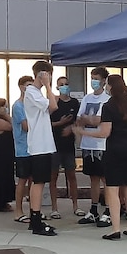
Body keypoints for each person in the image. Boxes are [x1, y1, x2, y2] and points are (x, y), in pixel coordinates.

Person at [75, 74, 127, 240]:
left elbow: (105, 132)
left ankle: (115, 228)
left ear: (110, 86)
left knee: (112, 189)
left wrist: (82, 131)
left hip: (114, 149)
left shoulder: (109, 105)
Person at [23, 61, 58, 236]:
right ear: (42, 74)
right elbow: (53, 106)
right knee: (38, 182)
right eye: (48, 75)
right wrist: (48, 87)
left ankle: (35, 217)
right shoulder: (31, 92)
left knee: (42, 181)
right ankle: (35, 219)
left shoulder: (36, 93)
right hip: (38, 144)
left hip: (44, 143)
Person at [77, 67, 112, 228]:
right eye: (92, 78)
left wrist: (87, 119)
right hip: (87, 143)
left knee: (106, 178)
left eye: (96, 78)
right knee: (93, 178)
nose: (93, 81)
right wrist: (88, 119)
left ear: (104, 80)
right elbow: (79, 119)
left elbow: (99, 120)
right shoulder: (86, 98)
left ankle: (109, 210)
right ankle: (93, 209)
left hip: (102, 145)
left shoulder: (107, 99)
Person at [50, 76, 80, 218]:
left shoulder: (75, 102)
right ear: (57, 87)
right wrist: (60, 123)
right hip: (55, 144)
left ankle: (76, 206)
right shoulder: (54, 102)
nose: (64, 86)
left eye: (66, 84)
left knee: (72, 176)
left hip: (69, 145)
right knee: (53, 177)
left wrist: (72, 128)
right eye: (61, 84)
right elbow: (47, 123)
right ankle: (54, 208)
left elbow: (78, 121)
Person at [11, 75, 33, 223]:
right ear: (21, 87)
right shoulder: (18, 106)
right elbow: (25, 127)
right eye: (27, 85)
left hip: (34, 148)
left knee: (33, 180)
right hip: (23, 148)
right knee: (23, 180)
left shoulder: (32, 105)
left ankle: (34, 209)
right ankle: (18, 211)